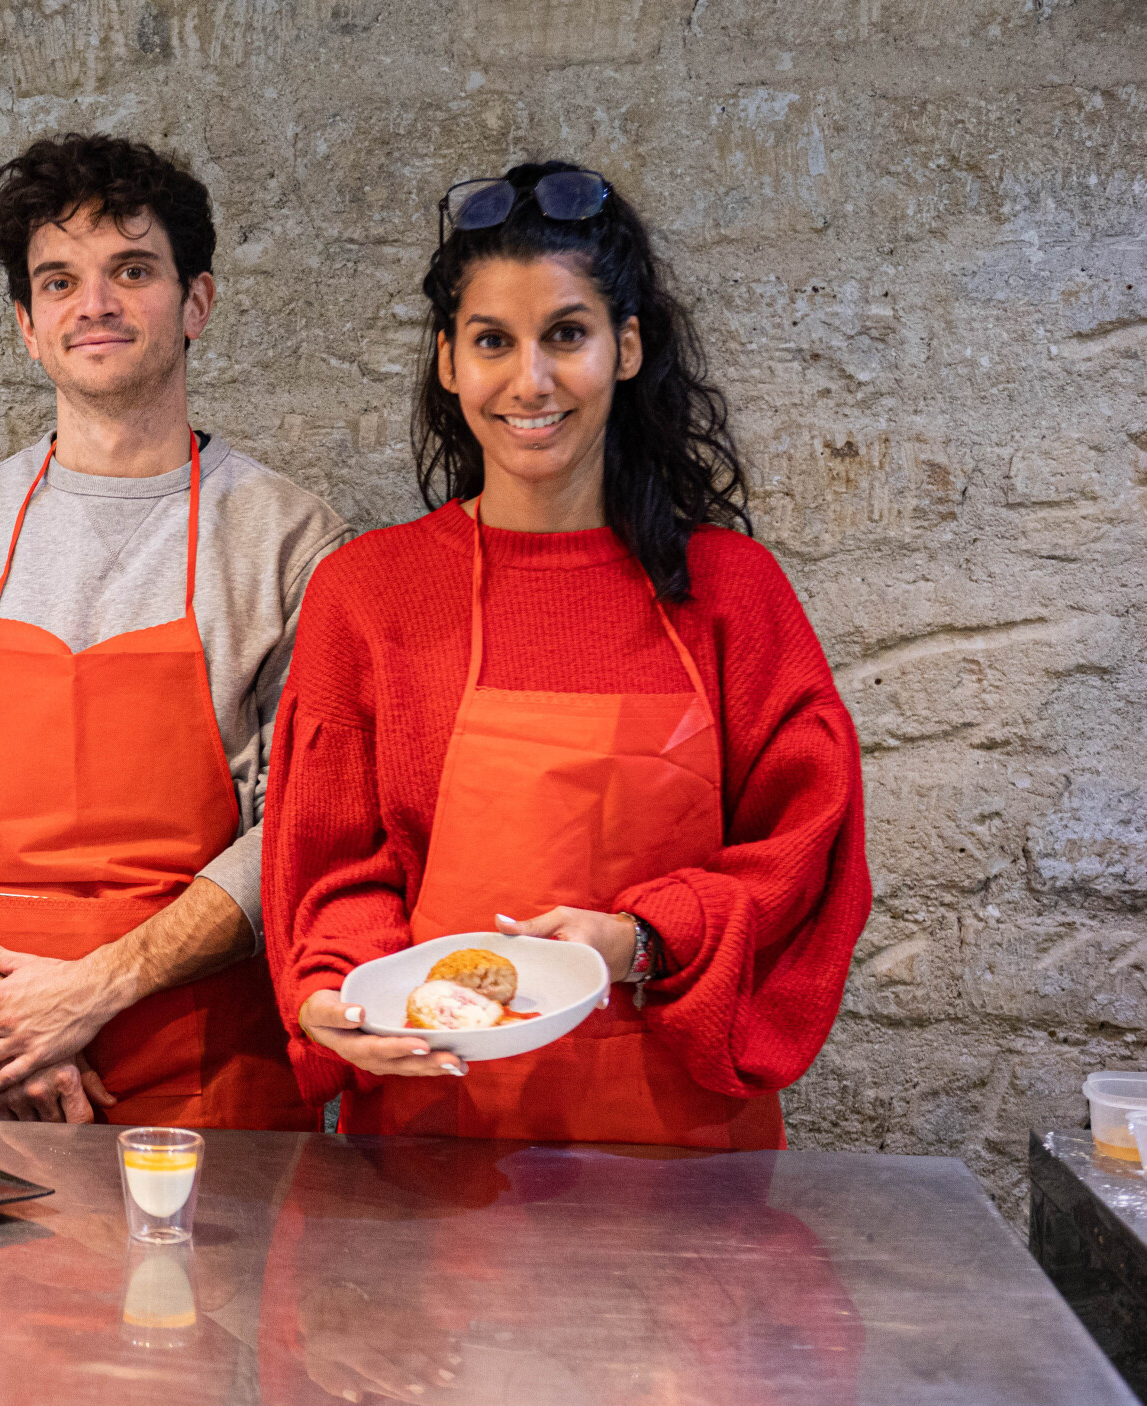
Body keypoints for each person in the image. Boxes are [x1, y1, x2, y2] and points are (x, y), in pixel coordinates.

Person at [267, 163, 872, 1147]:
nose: (530, 380)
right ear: (449, 362)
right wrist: (335, 990)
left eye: (566, 335)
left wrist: (642, 940)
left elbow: (808, 849)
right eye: (492, 341)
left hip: (681, 1151)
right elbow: (333, 861)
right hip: (434, 1131)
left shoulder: (733, 592)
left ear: (625, 347)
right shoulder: (369, 594)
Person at [0, 133, 350, 1128]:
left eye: (132, 270)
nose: (95, 304)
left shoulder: (289, 537)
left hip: (198, 1071)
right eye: (59, 281)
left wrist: (93, 991)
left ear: (196, 302)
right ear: (27, 326)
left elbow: (297, 821)